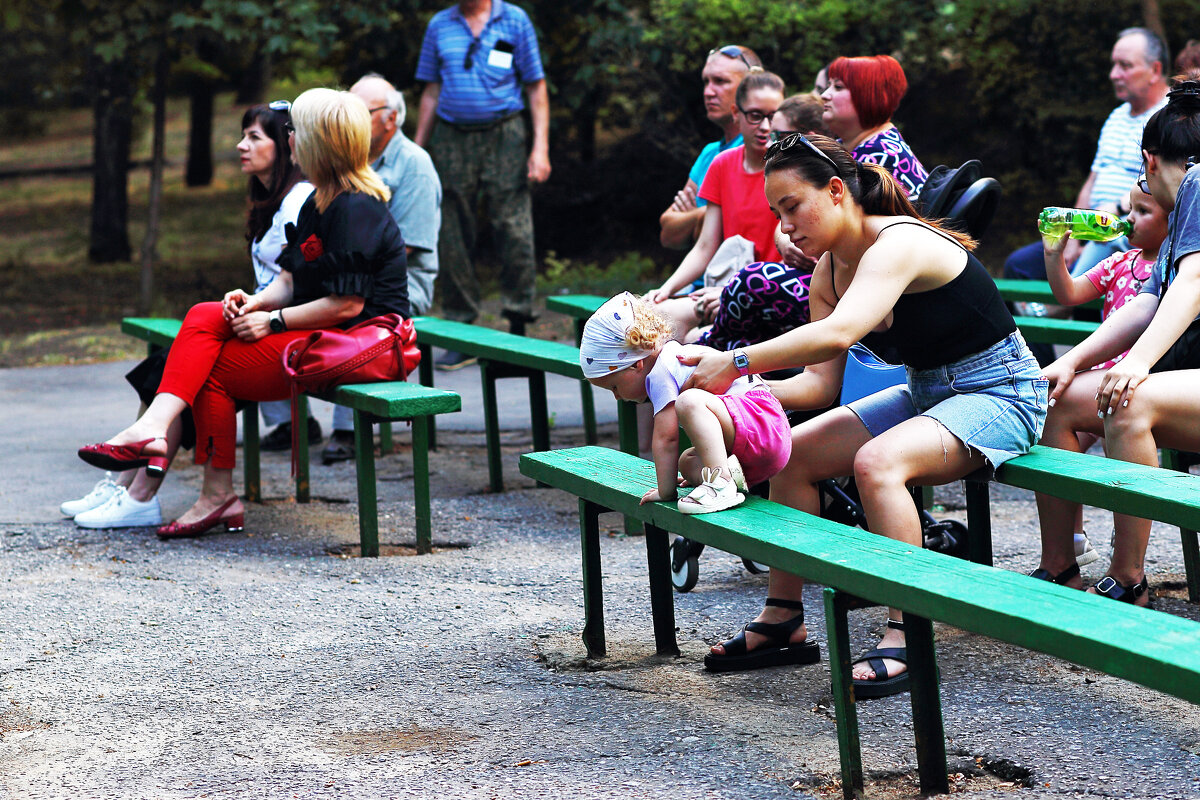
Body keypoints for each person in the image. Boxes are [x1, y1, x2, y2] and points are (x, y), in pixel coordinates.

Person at [682, 134, 1046, 693]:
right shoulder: (828, 271)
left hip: (1002, 393)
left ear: (834, 191)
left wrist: (733, 360)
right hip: (929, 394)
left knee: (878, 463)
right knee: (794, 456)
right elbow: (819, 384)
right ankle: (783, 620)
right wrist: (736, 402)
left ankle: (908, 630)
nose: (785, 226)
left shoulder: (898, 242)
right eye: (777, 212)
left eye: (793, 206)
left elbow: (840, 333)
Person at [75, 88, 410, 538]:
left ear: (319, 141)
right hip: (324, 336)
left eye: (295, 131)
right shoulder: (318, 202)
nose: (290, 139)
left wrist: (272, 321)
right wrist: (255, 301)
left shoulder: (356, 208)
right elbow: (290, 281)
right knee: (206, 314)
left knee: (211, 365)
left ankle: (209, 488)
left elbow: (347, 304)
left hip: (366, 345)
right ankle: (163, 438)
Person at [62, 101, 314, 528]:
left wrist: (260, 312)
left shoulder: (299, 201)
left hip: (285, 329)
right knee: (169, 363)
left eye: (255, 137)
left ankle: (140, 494)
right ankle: (124, 486)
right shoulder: (270, 200)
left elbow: (303, 284)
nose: (241, 145)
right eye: (243, 134)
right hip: (260, 318)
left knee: (186, 366)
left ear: (287, 146)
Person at [1030, 78, 1200, 605]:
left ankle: (1128, 577)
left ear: (1149, 159)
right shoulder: (1180, 217)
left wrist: (1138, 364)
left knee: (1129, 400)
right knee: (1056, 400)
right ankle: (1059, 566)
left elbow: (1195, 280)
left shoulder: (1196, 183)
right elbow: (1146, 303)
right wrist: (1074, 362)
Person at [414, 0, 550, 370]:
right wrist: (417, 153)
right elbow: (431, 91)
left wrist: (540, 148)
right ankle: (462, 328)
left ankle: (518, 323)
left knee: (514, 227)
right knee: (452, 231)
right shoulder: (440, 24)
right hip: (451, 135)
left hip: (504, 132)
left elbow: (536, 87)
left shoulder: (514, 20)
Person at [316, 74, 444, 464]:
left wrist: (336, 272)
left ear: (390, 119)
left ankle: (349, 429)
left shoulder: (414, 166)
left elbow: (399, 250)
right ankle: (288, 420)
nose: (348, 119)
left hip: (404, 284)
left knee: (347, 306)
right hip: (356, 273)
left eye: (359, 111)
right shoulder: (350, 162)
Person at [580, 292, 792, 515]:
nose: (617, 397)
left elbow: (666, 438)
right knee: (687, 462)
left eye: (614, 387)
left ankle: (721, 483)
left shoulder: (661, 372)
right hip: (765, 439)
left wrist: (665, 491)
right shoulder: (672, 358)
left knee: (689, 402)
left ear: (636, 365)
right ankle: (726, 478)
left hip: (762, 425)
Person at [1004, 28, 1170, 285]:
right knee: (1018, 265)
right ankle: (1031, 320)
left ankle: (1054, 312)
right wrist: (1075, 237)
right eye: (1114, 65)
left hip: (1127, 232)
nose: (1114, 74)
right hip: (1091, 229)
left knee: (1084, 269)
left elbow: (1163, 187)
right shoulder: (1116, 116)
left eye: (1125, 66)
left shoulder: (1169, 119)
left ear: (1155, 70)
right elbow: (1093, 180)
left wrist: (1114, 210)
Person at [645, 70, 786, 340]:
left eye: (773, 117)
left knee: (689, 343)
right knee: (655, 322)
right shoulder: (722, 164)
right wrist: (665, 290)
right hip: (724, 285)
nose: (766, 127)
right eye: (756, 116)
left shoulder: (790, 167)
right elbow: (705, 245)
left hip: (768, 292)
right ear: (737, 113)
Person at [659, 45, 762, 251]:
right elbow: (668, 235)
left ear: (750, 88)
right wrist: (702, 214)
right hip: (700, 279)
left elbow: (739, 227)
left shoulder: (757, 148)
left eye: (720, 81)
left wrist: (695, 214)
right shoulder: (710, 153)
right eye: (706, 81)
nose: (708, 92)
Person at [820, 55, 928, 199]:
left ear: (869, 95)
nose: (824, 95)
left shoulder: (878, 157)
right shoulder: (875, 144)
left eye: (838, 87)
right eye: (829, 86)